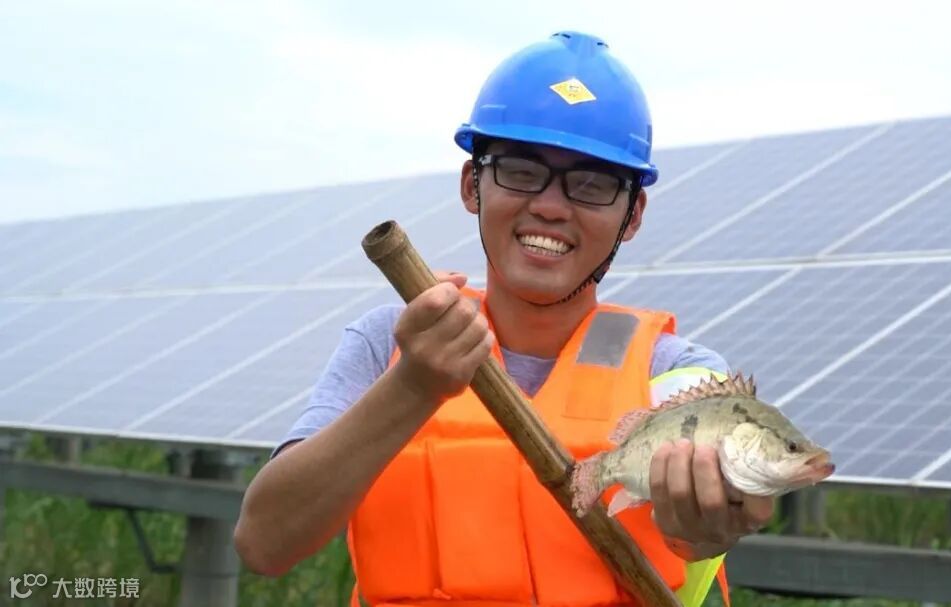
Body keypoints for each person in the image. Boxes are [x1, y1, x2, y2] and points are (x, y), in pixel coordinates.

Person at [234, 30, 774, 607]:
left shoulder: (678, 375)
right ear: (473, 185)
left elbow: (718, 522)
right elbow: (264, 543)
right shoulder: (387, 344)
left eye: (592, 184)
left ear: (632, 215)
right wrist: (412, 386)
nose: (550, 205)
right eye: (520, 171)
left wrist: (715, 521)